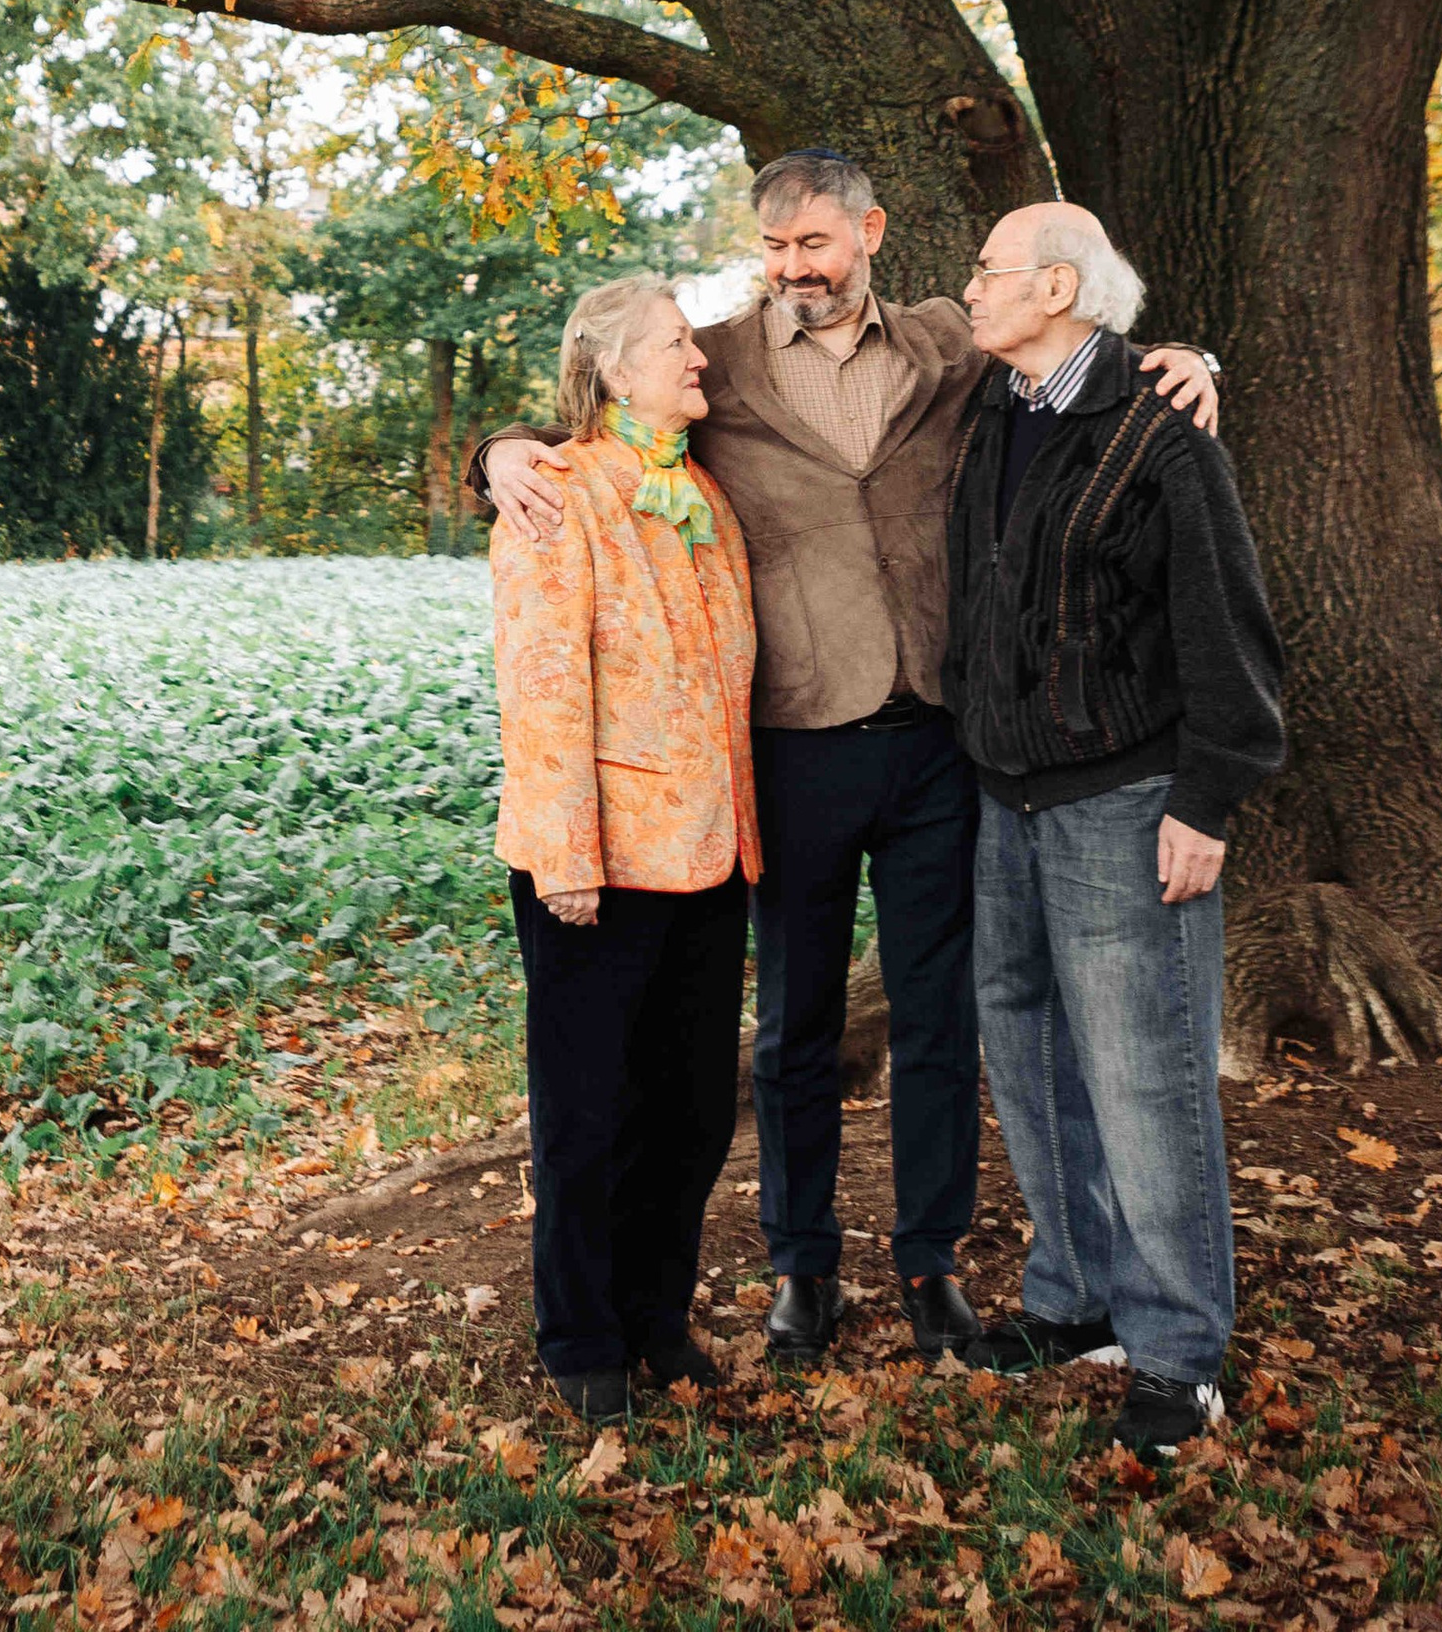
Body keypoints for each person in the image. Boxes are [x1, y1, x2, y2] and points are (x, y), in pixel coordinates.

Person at [472, 151, 1217, 1366]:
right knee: (794, 1025)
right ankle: (798, 1267)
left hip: (935, 739)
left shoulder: (947, 344)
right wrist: (498, 450)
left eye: (814, 244)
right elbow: (595, 417)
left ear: (867, 232)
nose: (793, 270)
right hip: (790, 750)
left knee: (939, 1020)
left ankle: (928, 1262)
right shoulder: (715, 365)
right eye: (772, 250)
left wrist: (1193, 361)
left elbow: (1071, 345)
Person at [949, 203, 1284, 1462]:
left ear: (1054, 287)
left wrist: (1205, 801)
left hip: (1124, 803)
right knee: (1031, 1065)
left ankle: (1176, 1353)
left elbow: (1227, 630)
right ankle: (1075, 1300)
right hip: (1003, 796)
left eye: (984, 271)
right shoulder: (992, 407)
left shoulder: (1161, 430)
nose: (966, 290)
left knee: (1145, 1082)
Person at [491, 273, 762, 1426]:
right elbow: (544, 686)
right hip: (593, 866)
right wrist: (565, 859)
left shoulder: (701, 491)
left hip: (709, 857)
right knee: (589, 1114)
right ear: (610, 370)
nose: (698, 360)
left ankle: (659, 1317)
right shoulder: (563, 492)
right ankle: (582, 1333)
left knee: (693, 1111)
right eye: (674, 346)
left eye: (694, 343)